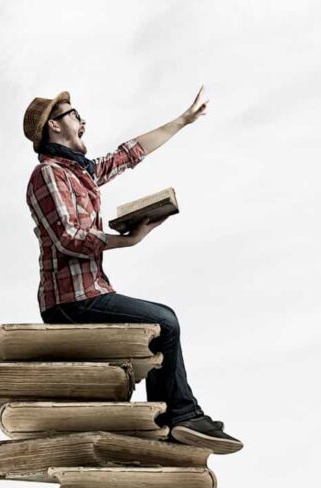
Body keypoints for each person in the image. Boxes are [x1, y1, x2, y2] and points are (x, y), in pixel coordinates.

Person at [21, 87, 240, 454]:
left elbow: (129, 153)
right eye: (75, 115)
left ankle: (172, 420)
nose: (82, 121)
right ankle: (179, 417)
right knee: (163, 322)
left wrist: (182, 121)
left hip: (91, 293)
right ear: (54, 127)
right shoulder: (47, 175)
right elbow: (68, 238)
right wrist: (127, 240)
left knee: (160, 323)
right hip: (70, 301)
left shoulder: (81, 174)